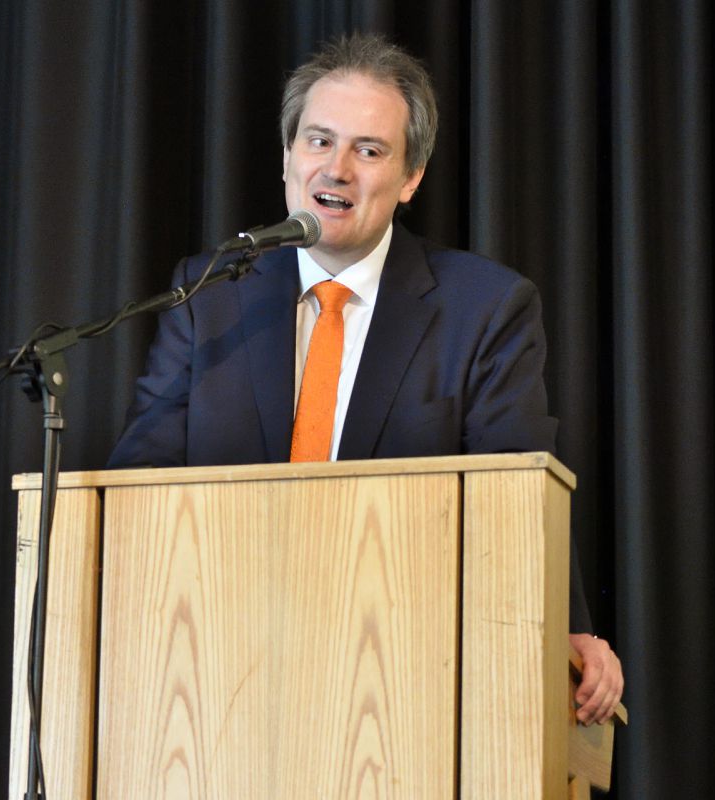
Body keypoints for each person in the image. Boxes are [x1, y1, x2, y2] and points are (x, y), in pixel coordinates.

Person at [108, 32, 623, 725]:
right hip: (215, 669)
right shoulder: (209, 295)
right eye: (319, 141)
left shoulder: (484, 308)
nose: (337, 168)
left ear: (410, 179)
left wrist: (567, 629)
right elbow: (140, 480)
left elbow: (516, 489)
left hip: (406, 675)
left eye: (370, 150)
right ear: (288, 158)